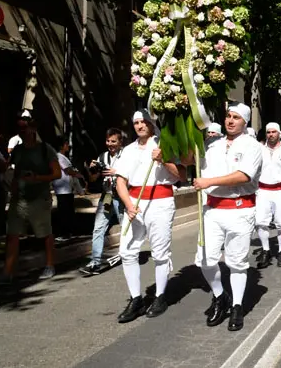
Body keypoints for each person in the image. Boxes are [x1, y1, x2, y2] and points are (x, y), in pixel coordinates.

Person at [192, 102, 262, 331]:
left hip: (240, 210)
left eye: (236, 117)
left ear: (245, 122)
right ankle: (220, 296)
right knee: (205, 260)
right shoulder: (213, 145)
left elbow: (243, 176)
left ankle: (238, 307)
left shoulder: (252, 146)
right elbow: (192, 164)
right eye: (228, 116)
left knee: (236, 263)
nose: (231, 121)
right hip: (212, 210)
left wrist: (209, 182)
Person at [114, 110, 185, 323]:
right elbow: (120, 181)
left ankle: (160, 296)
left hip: (160, 201)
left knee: (160, 252)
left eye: (143, 121)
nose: (139, 126)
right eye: (136, 123)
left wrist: (164, 160)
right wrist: (128, 204)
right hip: (135, 203)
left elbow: (181, 175)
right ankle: (136, 299)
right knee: (126, 250)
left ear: (151, 123)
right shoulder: (127, 150)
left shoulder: (165, 144)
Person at [0, 118, 61, 284]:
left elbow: (57, 173)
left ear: (33, 128)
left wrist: (37, 178)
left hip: (39, 198)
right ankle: (7, 273)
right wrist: (12, 187)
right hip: (19, 199)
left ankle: (50, 265)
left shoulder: (45, 149)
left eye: (24, 127)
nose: (21, 130)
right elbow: (13, 172)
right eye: (19, 128)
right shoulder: (18, 150)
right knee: (12, 234)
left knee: (44, 233)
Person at [80, 128, 125, 275]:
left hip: (122, 197)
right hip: (107, 197)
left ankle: (128, 254)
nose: (110, 144)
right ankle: (95, 261)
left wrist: (116, 171)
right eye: (108, 141)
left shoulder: (126, 155)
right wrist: (92, 170)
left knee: (125, 227)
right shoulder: (103, 156)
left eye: (114, 141)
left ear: (120, 142)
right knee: (99, 227)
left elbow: (134, 174)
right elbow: (93, 179)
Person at [255, 122, 281, 269]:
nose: (271, 134)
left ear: (279, 133)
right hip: (263, 190)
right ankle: (266, 251)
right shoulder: (259, 150)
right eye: (268, 132)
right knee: (260, 221)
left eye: (274, 132)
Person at [52, 136, 83, 242]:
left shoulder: (62, 157)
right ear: (62, 146)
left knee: (68, 211)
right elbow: (68, 170)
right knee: (64, 212)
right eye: (66, 144)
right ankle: (64, 233)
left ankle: (69, 232)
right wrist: (79, 175)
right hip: (63, 190)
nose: (67, 146)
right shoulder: (59, 156)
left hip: (66, 189)